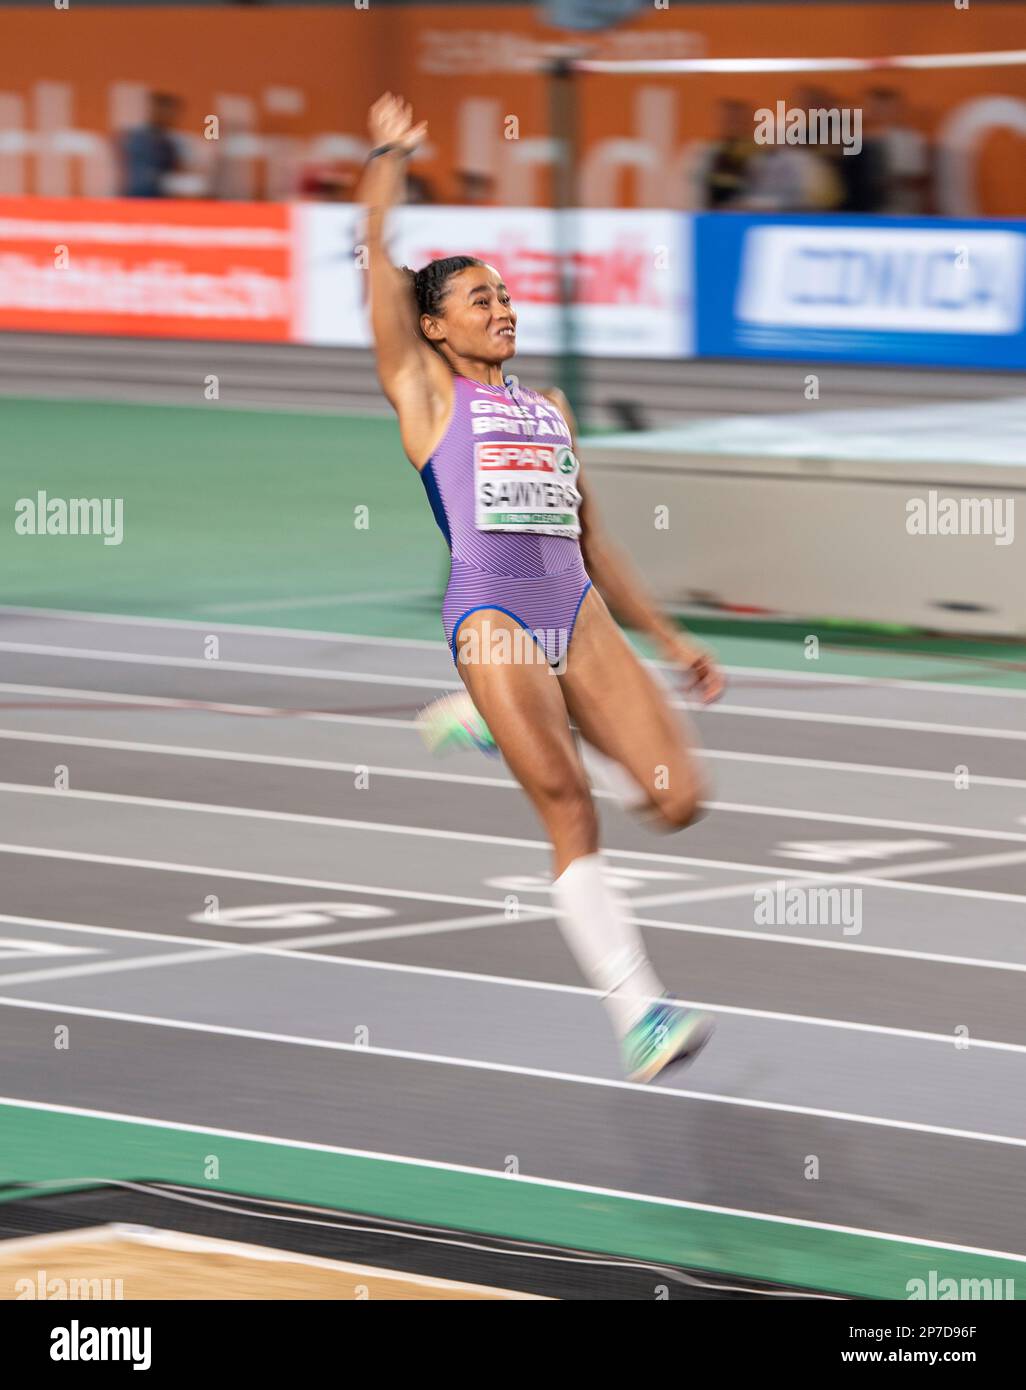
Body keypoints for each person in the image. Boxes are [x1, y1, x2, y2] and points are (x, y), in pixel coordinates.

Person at [358, 93, 724, 1085]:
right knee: (570, 806)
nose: (504, 307)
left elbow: (596, 539)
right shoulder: (427, 392)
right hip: (492, 615)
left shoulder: (548, 405)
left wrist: (672, 638)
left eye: (508, 296)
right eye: (480, 299)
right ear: (433, 327)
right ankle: (640, 1012)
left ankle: (500, 724)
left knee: (679, 800)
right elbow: (374, 255)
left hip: (580, 612)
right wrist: (390, 153)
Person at [117, 92, 184, 199]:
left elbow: (177, 169)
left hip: (161, 195)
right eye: (163, 111)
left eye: (170, 112)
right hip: (137, 194)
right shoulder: (136, 137)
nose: (167, 116)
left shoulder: (172, 142)